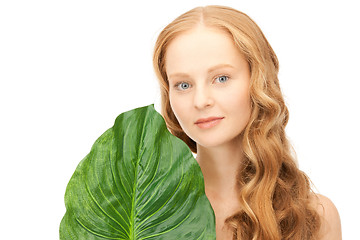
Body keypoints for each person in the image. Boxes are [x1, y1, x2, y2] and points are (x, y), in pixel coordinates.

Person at [152, 5, 341, 240]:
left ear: (258, 82)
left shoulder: (315, 217)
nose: (200, 101)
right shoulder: (148, 210)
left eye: (221, 78)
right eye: (183, 85)